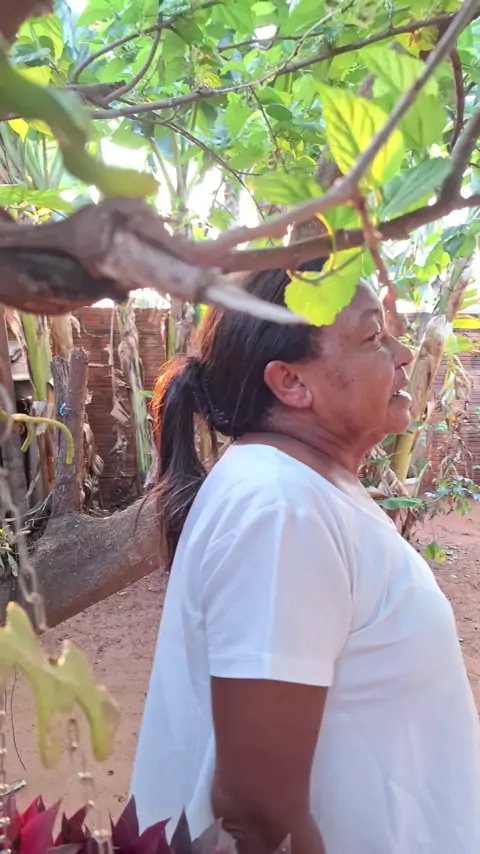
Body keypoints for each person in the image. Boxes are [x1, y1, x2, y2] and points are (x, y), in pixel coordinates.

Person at [131, 261, 480, 854]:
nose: (402, 355)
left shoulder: (299, 489)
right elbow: (257, 809)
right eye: (373, 337)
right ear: (291, 383)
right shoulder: (280, 509)